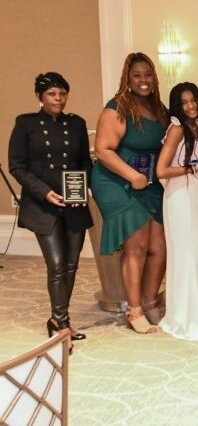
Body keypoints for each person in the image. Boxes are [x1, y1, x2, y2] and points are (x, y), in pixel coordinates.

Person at [9, 72, 93, 351]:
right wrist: (44, 192)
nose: (58, 99)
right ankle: (61, 322)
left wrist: (83, 188)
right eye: (52, 95)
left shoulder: (77, 123)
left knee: (71, 264)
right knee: (56, 264)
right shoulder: (26, 124)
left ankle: (59, 319)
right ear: (40, 97)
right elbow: (17, 166)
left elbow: (84, 161)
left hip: (74, 205)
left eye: (62, 94)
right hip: (43, 204)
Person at [92, 52, 167, 334]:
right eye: (137, 75)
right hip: (117, 182)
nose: (143, 80)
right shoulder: (118, 108)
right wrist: (132, 175)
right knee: (136, 243)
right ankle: (133, 310)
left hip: (148, 183)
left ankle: (149, 301)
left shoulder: (158, 107)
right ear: (127, 78)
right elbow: (102, 151)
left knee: (159, 247)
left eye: (148, 74)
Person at [156, 83, 198, 340]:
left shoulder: (197, 127)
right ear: (176, 106)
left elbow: (197, 163)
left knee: (197, 253)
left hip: (196, 194)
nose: (190, 106)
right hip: (180, 197)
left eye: (193, 100)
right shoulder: (177, 129)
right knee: (186, 254)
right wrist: (196, 168)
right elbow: (162, 170)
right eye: (184, 102)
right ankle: (185, 319)